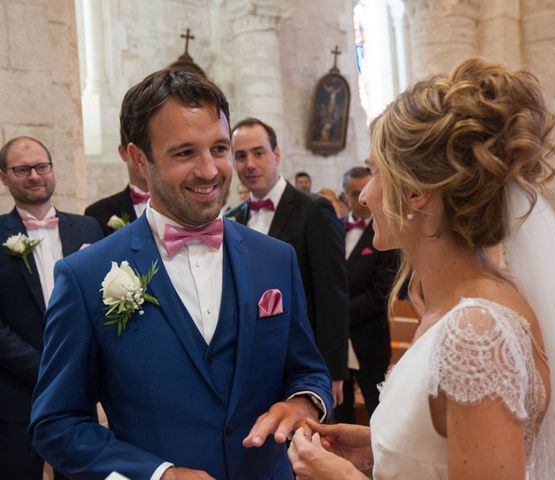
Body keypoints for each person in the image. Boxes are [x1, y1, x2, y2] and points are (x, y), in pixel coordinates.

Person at [288, 58, 555, 479]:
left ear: (416, 192)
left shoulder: (477, 331)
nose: (364, 196)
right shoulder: (457, 303)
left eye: (375, 173)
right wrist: (378, 449)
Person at [29, 69, 332, 480]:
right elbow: (56, 425)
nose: (209, 171)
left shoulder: (276, 258)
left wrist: (303, 402)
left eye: (219, 148)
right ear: (139, 159)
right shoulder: (85, 276)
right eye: (185, 153)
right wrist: (158, 474)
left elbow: (307, 368)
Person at [226, 118, 349, 408]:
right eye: (240, 156)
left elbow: (332, 295)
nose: (249, 164)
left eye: (258, 153)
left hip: (303, 362)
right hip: (251, 366)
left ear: (276, 155)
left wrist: (331, 370)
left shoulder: (313, 210)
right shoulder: (233, 216)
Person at [0, 136, 103, 479]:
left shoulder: (88, 228)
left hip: (78, 392)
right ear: (4, 177)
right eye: (22, 169)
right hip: (16, 395)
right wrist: (42, 366)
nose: (34, 175)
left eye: (41, 167)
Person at [333, 166, 397, 424]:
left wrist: (334, 314)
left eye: (365, 190)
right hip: (335, 341)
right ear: (344, 196)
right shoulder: (331, 229)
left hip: (368, 337)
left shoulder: (385, 233)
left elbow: (380, 294)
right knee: (340, 407)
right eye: (354, 192)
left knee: (377, 406)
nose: (361, 198)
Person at [84, 135, 150, 236]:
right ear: (123, 152)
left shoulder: (180, 205)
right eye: (139, 153)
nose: (145, 158)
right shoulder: (97, 213)